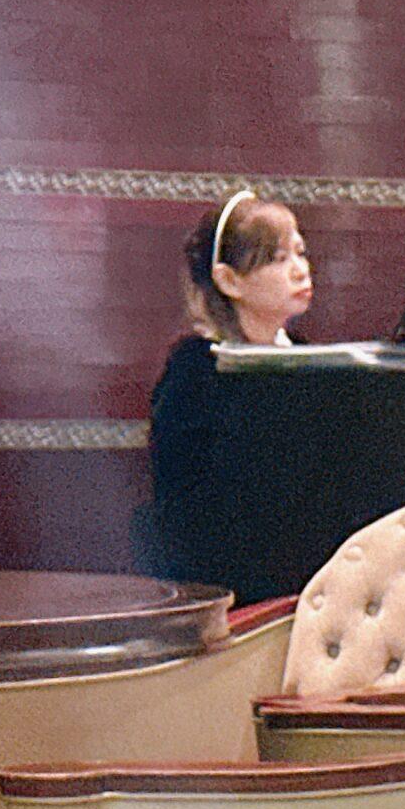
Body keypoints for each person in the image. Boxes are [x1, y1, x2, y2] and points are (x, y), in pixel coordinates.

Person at [143, 191, 315, 587]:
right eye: (277, 259)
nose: (300, 271)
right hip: (223, 573)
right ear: (229, 280)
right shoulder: (195, 370)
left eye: (301, 253)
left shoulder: (306, 355)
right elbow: (187, 502)